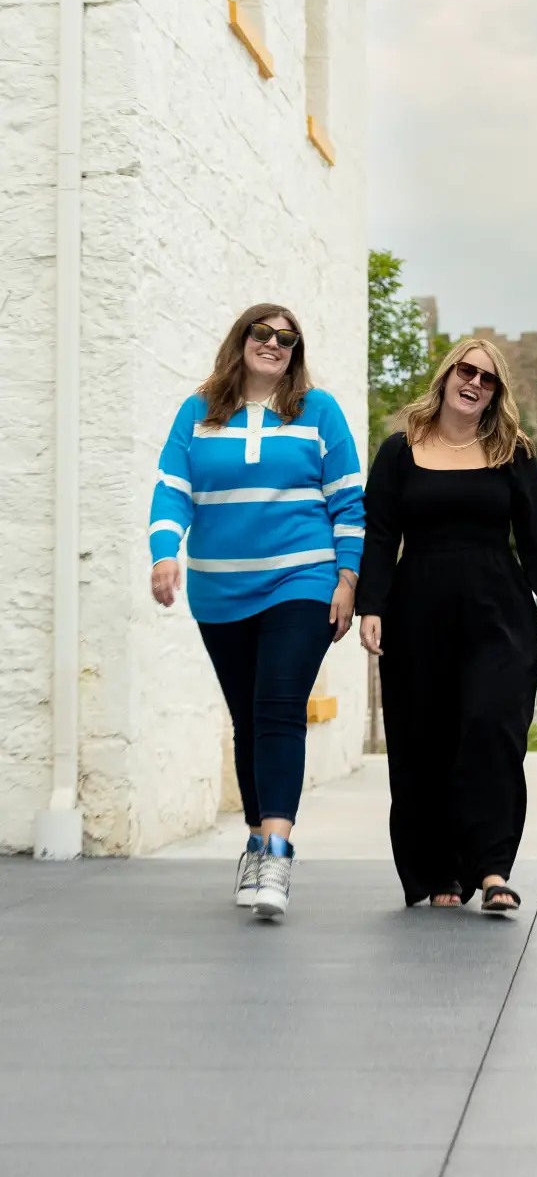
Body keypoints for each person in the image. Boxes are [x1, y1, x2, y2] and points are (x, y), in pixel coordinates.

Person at [149, 306, 364, 921]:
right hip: (220, 590)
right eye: (262, 333)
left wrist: (348, 577)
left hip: (303, 579)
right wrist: (164, 553)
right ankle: (254, 840)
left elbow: (349, 500)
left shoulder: (318, 411)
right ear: (241, 340)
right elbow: (172, 489)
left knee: (278, 706)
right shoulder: (198, 413)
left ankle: (276, 850)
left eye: (286, 338)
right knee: (247, 718)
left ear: (296, 351)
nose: (273, 344)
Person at [357, 337, 537, 913]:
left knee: (493, 728)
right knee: (424, 738)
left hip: (498, 612)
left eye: (487, 378)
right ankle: (441, 871)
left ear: (496, 393)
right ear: (447, 375)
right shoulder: (400, 450)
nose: (474, 382)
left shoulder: (512, 452)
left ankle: (493, 868)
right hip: (416, 613)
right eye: (466, 371)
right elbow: (380, 534)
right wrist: (371, 605)